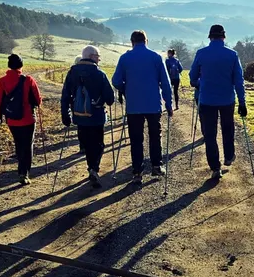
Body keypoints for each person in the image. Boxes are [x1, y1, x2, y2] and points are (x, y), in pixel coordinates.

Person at [112, 30, 173, 185]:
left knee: (136, 139)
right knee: (154, 135)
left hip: (133, 105)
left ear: (132, 42)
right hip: (153, 104)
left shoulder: (125, 58)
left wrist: (125, 89)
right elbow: (165, 83)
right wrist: (169, 104)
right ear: (147, 41)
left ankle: (137, 172)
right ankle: (156, 166)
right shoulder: (156, 57)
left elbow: (116, 80)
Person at [189, 24, 246, 180]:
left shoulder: (201, 54)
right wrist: (242, 102)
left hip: (207, 100)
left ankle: (215, 167)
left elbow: (192, 77)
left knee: (210, 134)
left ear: (210, 37)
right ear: (223, 37)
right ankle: (229, 156)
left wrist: (200, 83)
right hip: (227, 99)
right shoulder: (232, 55)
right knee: (228, 129)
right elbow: (239, 81)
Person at [61, 46, 114, 188]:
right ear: (91, 56)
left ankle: (91, 167)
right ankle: (94, 168)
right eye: (98, 56)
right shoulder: (99, 74)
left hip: (79, 117)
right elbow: (110, 99)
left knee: (86, 143)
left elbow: (65, 95)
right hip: (96, 116)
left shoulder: (72, 72)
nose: (99, 58)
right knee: (98, 144)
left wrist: (65, 114)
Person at [0, 54, 42, 186]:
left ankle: (21, 169)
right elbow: (38, 100)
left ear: (9, 65)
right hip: (28, 119)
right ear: (21, 65)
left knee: (19, 144)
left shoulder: (2, 81)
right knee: (28, 145)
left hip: (12, 120)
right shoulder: (29, 80)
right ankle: (24, 173)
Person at [72, 55, 85, 154]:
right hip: (89, 105)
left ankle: (82, 146)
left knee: (80, 127)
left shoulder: (72, 74)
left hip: (76, 104)